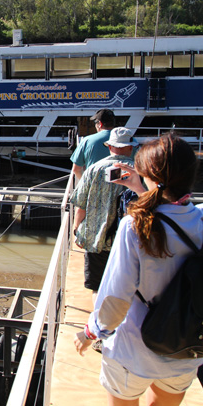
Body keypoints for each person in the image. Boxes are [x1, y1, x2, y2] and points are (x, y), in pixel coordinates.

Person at [74, 132, 203, 405]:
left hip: (135, 348)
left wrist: (90, 333)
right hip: (185, 344)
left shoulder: (133, 226)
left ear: (148, 176)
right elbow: (177, 213)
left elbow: (116, 297)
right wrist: (145, 189)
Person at [69, 127, 138, 305]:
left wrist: (77, 230)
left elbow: (80, 205)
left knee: (97, 288)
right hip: (130, 243)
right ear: (131, 147)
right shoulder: (142, 172)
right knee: (127, 288)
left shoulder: (94, 169)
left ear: (108, 146)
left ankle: (99, 327)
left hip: (96, 239)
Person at [70, 109, 116, 182]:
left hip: (95, 186)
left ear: (100, 124)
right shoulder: (130, 141)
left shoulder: (87, 140)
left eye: (95, 122)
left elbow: (76, 169)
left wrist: (85, 183)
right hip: (121, 189)